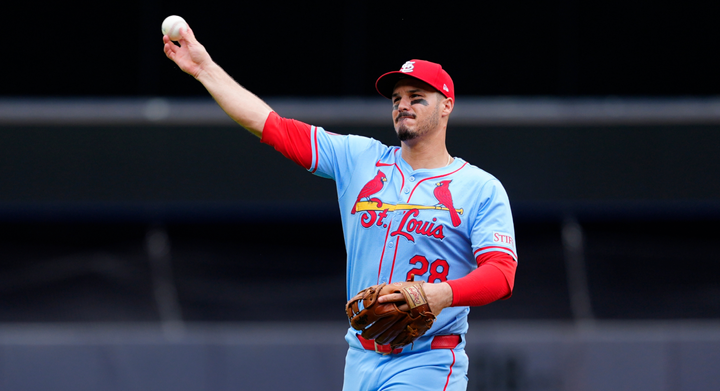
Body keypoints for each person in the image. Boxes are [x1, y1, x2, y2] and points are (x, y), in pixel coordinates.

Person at [163, 25, 518, 391]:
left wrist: (441, 294)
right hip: (360, 357)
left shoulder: (479, 188)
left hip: (427, 359)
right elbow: (271, 126)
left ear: (447, 105)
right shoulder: (360, 159)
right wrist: (204, 69)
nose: (402, 105)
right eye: (396, 98)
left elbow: (502, 274)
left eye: (416, 96)